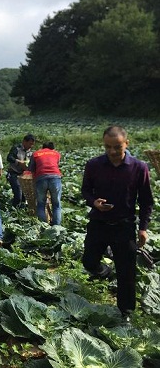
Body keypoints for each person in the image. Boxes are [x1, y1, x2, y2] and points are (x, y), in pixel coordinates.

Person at [81, 126, 153, 319]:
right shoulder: (93, 165)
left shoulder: (139, 167)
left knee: (126, 271)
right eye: (107, 147)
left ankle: (126, 312)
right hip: (99, 222)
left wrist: (143, 228)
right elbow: (86, 190)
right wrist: (93, 202)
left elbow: (146, 201)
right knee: (88, 261)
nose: (112, 151)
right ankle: (103, 270)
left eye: (117, 147)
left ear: (126, 144)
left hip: (124, 225)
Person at [29, 141, 62, 225]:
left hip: (41, 178)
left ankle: (44, 227)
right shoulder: (56, 153)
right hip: (55, 177)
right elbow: (56, 164)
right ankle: (56, 228)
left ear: (42, 147)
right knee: (56, 204)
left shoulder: (36, 153)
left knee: (40, 204)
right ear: (52, 148)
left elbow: (31, 169)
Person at [7, 133, 35, 208]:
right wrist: (19, 162)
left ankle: (21, 211)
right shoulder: (16, 148)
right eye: (30, 144)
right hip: (14, 174)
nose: (31, 146)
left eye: (32, 144)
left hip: (24, 175)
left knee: (25, 195)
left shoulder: (30, 152)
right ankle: (14, 211)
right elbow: (9, 158)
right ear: (24, 142)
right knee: (18, 194)